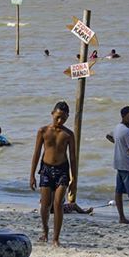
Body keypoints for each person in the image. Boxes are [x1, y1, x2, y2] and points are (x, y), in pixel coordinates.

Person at [29, 101, 78, 246]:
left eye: (63, 118)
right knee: (45, 204)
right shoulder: (43, 131)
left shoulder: (68, 134)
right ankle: (45, 231)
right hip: (46, 169)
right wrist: (32, 175)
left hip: (62, 170)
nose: (60, 121)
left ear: (67, 117)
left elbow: (73, 158)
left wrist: (74, 179)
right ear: (52, 114)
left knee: (58, 204)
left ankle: (56, 238)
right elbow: (36, 154)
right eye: (57, 117)